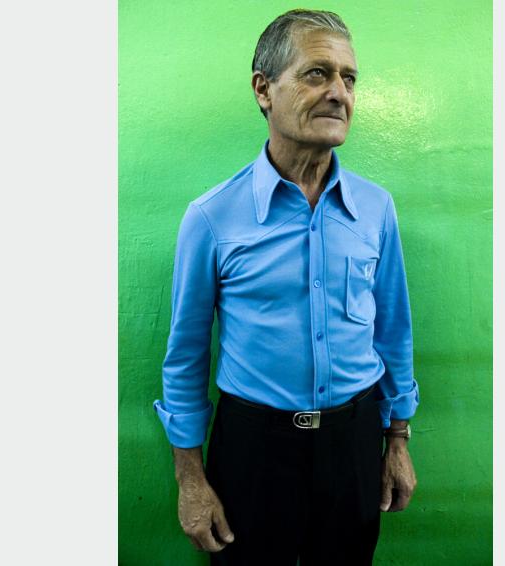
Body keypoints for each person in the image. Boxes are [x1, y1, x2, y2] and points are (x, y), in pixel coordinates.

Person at [153, 9, 420, 565]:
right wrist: (190, 479)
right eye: (317, 73)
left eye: (349, 78)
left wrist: (397, 439)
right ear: (263, 90)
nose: (339, 93)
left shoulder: (375, 209)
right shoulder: (212, 218)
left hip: (354, 442)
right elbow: (185, 356)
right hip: (252, 450)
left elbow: (393, 331)